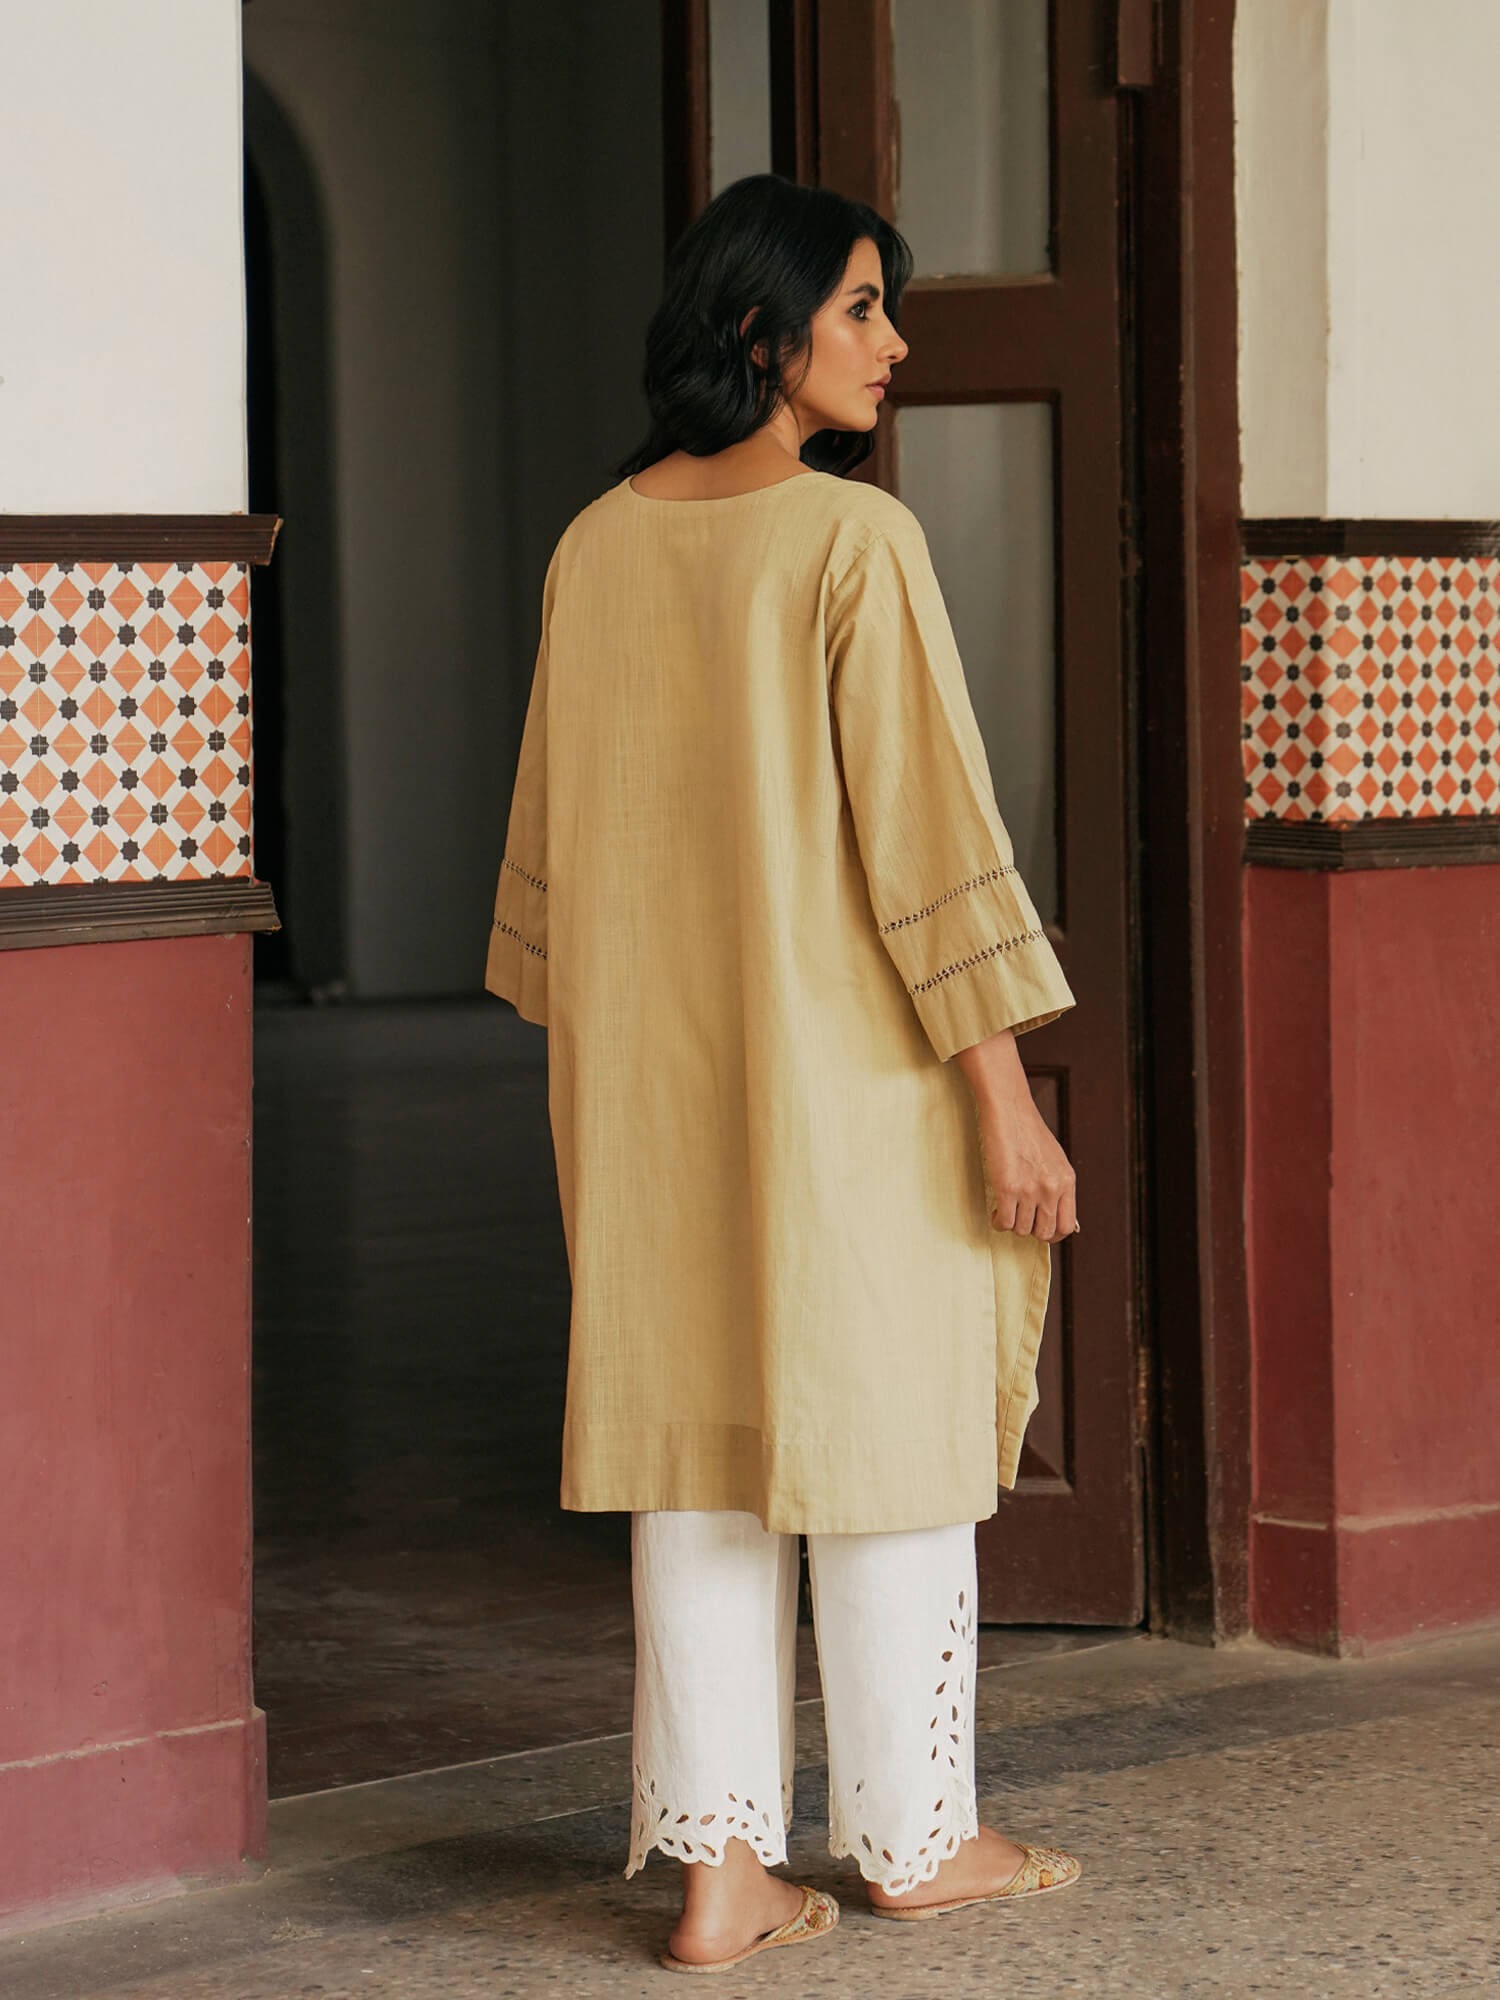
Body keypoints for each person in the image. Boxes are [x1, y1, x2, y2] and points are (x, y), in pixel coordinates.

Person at [484, 172, 1083, 1975]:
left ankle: (721, 1878)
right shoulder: (851, 543)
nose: (895, 344)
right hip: (851, 1091)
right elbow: (931, 848)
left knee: (699, 1458)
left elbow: (549, 874)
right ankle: (916, 1838)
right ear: (762, 332)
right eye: (861, 309)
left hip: (650, 1098)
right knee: (884, 1442)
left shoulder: (593, 547)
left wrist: (631, 1057)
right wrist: (1006, 1102)